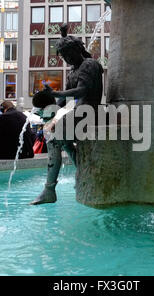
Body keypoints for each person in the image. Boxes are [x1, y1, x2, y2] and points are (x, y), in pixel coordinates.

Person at [30, 23, 103, 205]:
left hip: (91, 111)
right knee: (54, 134)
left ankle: (51, 188)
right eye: (63, 57)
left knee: (56, 136)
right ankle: (77, 172)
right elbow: (64, 101)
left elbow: (81, 91)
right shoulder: (73, 72)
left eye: (68, 55)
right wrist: (48, 106)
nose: (66, 59)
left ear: (77, 50)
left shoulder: (89, 65)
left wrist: (56, 94)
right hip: (79, 111)